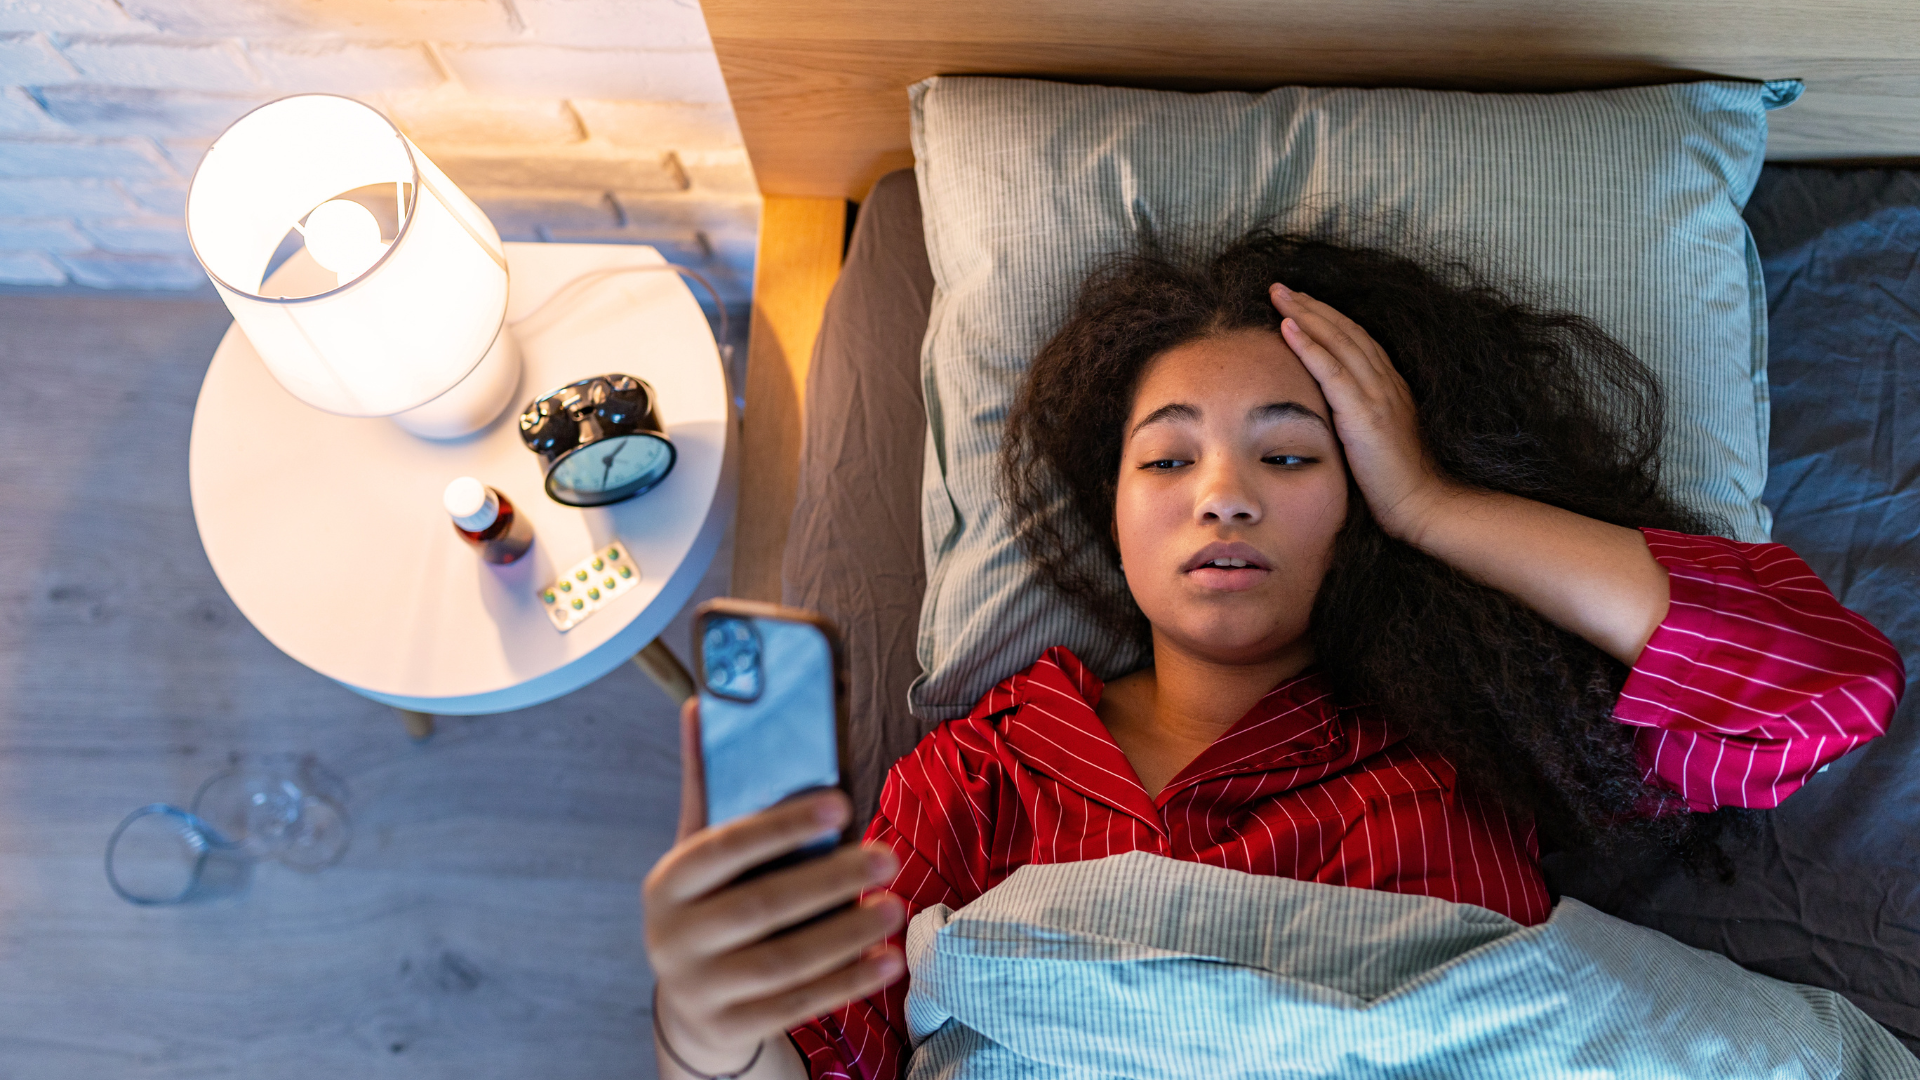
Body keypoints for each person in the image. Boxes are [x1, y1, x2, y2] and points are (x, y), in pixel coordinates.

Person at [641, 229, 1905, 1080]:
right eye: (1169, 458)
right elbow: (825, 1055)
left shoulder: (1466, 733)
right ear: (1113, 504)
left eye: (1292, 454)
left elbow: (1813, 690)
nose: (1225, 495)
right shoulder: (981, 775)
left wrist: (1433, 503)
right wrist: (703, 1029)